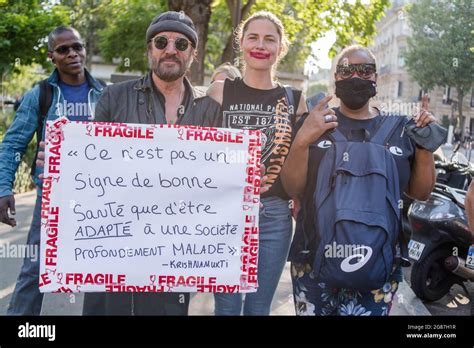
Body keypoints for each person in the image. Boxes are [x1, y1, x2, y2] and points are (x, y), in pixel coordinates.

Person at [79, 11, 224, 315]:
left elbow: (219, 177)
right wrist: (63, 164)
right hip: (116, 242)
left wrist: (245, 189)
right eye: (161, 42)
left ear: (193, 55)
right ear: (149, 49)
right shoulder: (114, 98)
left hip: (176, 248)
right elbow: (91, 168)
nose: (170, 49)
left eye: (181, 44)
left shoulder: (209, 110)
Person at [281, 45, 436, 316]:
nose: (355, 76)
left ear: (376, 78)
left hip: (379, 265)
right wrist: (303, 138)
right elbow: (292, 188)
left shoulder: (400, 130)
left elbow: (421, 192)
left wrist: (425, 146)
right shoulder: (314, 123)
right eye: (346, 70)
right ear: (336, 77)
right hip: (313, 262)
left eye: (365, 70)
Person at [207, 11, 307, 315]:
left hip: (274, 216)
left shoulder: (295, 99)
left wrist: (299, 197)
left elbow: (300, 160)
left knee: (258, 308)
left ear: (280, 48)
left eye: (269, 39)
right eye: (253, 37)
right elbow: (199, 154)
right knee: (225, 307)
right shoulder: (219, 92)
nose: (260, 45)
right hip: (225, 212)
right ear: (241, 42)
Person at [0, 26, 104, 315]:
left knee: (103, 270)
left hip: (99, 199)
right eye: (63, 49)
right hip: (52, 199)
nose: (72, 53)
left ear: (84, 50)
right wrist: (3, 188)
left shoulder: (105, 95)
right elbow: (12, 145)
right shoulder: (41, 95)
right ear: (51, 56)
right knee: (35, 270)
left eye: (77, 47)